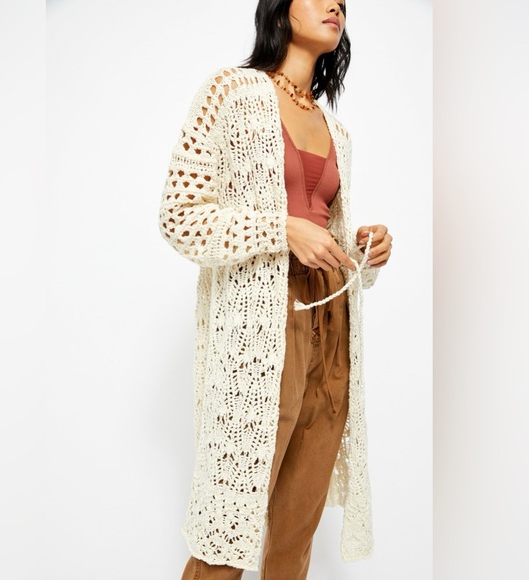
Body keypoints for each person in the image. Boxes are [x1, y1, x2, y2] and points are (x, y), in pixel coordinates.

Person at [158, 1, 393, 578]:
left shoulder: (338, 130)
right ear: (281, 11)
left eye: (342, 2)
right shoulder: (230, 93)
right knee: (227, 526)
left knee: (296, 533)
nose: (335, 5)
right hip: (260, 323)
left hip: (331, 325)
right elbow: (179, 217)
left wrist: (365, 250)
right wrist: (280, 228)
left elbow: (329, 238)